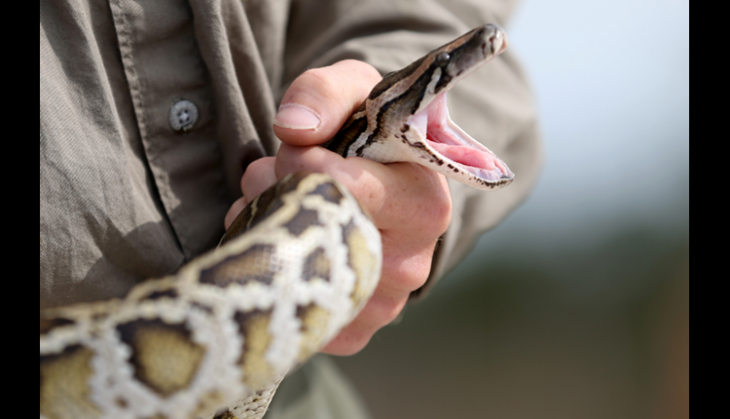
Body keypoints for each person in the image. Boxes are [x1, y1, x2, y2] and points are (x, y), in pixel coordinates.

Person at [40, 0, 541, 417]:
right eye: (442, 71)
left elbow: (432, 15)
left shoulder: (377, 129)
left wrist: (403, 209)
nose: (465, 61)